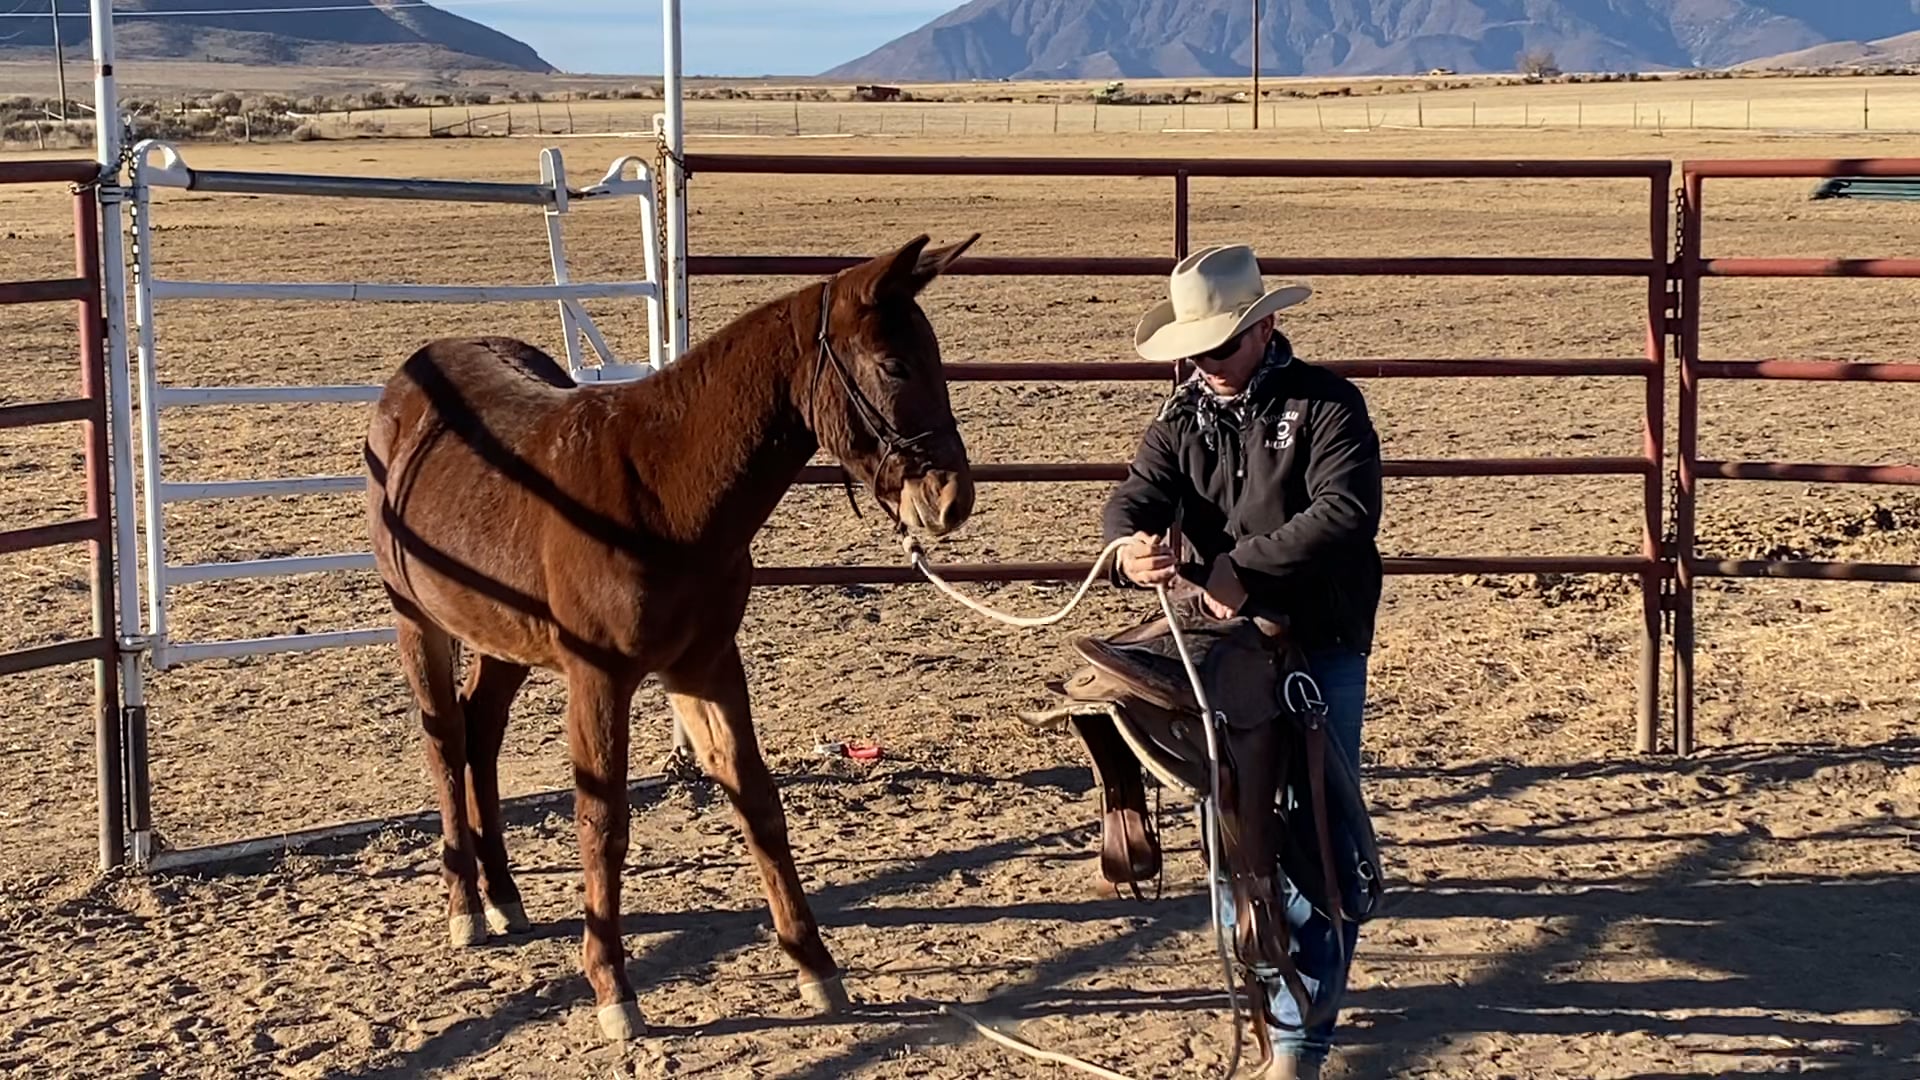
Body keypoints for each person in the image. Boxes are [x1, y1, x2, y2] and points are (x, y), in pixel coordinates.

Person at [1101, 243, 1383, 1080]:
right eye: (1192, 349)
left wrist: (1244, 566)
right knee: (1234, 823)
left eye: (1218, 345)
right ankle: (1273, 994)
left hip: (1316, 639)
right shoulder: (1180, 419)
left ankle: (1298, 1036)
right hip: (1222, 646)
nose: (1202, 363)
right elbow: (1132, 498)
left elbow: (1345, 511)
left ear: (1264, 329)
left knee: (1315, 834)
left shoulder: (1328, 405)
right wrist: (1127, 549)